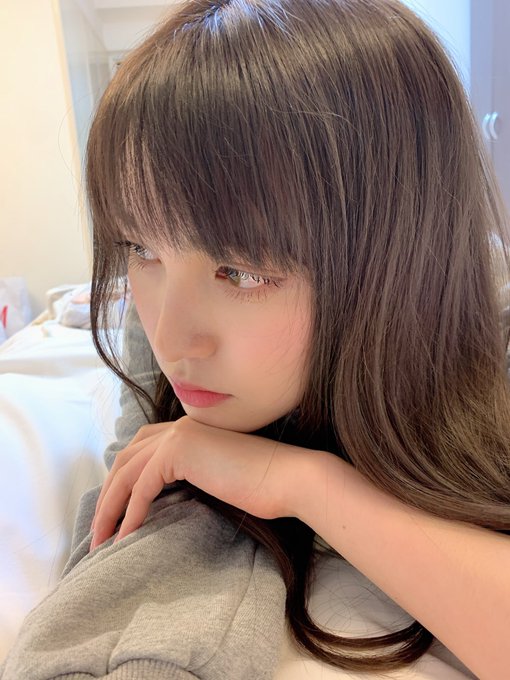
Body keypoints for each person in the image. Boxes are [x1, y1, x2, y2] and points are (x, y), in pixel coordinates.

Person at [2, 0, 510, 678]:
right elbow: (139, 532)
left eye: (240, 271)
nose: (172, 337)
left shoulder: (489, 341)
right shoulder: (156, 324)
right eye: (140, 248)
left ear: (393, 257)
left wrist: (302, 483)